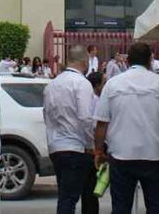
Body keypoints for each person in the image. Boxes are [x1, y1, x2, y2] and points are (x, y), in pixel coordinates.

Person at [93, 42, 159, 214]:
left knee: (121, 208)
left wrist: (98, 152)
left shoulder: (112, 84)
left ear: (128, 61)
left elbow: (101, 123)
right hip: (154, 155)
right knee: (157, 207)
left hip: (121, 156)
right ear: (150, 60)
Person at [43, 45, 97, 214]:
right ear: (85, 61)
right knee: (75, 198)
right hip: (76, 146)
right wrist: (91, 145)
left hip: (56, 146)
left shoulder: (52, 85)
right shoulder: (82, 83)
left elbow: (46, 115)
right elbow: (85, 118)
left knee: (66, 195)